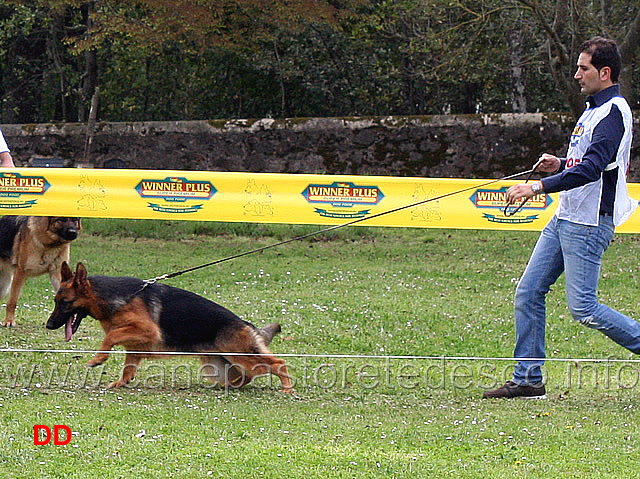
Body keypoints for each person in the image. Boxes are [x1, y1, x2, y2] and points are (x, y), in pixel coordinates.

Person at [483, 36, 638, 399]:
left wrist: (536, 188)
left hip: (588, 223)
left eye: (583, 68)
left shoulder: (613, 112)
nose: (576, 74)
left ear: (604, 72)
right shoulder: (592, 110)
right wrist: (559, 164)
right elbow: (584, 164)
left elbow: (592, 170)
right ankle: (528, 379)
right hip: (566, 216)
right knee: (529, 291)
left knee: (584, 308)